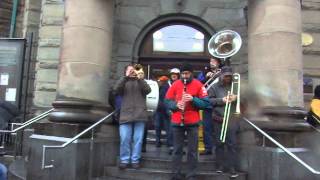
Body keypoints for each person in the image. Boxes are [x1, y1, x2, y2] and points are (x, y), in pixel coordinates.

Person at [165, 64, 210, 180]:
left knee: (192, 150)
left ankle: (191, 174)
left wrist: (193, 99)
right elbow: (166, 101)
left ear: (191, 74)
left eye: (187, 74)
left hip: (192, 122)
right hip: (177, 121)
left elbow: (205, 103)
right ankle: (175, 173)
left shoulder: (198, 85)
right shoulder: (175, 84)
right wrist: (175, 105)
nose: (185, 76)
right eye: (183, 74)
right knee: (177, 150)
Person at [114, 64, 151, 169]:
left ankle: (135, 160)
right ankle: (124, 160)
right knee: (125, 138)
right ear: (125, 72)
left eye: (134, 70)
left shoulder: (141, 82)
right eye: (130, 70)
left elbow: (148, 91)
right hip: (126, 115)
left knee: (138, 140)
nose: (132, 72)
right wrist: (125, 77)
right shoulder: (124, 82)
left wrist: (140, 79)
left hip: (140, 115)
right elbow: (116, 89)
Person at [207, 66, 239, 178]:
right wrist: (222, 100)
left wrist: (237, 97)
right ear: (221, 76)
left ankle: (232, 167)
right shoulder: (214, 87)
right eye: (226, 76)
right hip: (218, 119)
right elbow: (208, 101)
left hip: (231, 120)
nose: (228, 79)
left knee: (232, 144)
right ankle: (220, 166)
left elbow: (246, 99)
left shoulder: (236, 87)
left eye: (230, 76)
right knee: (219, 144)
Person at [198, 57, 222, 155]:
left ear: (219, 63)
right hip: (207, 104)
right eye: (210, 61)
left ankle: (218, 148)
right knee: (206, 127)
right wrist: (205, 77)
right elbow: (198, 83)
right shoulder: (204, 72)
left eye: (214, 61)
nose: (211, 63)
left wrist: (218, 76)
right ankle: (208, 147)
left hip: (218, 104)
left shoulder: (222, 72)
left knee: (217, 128)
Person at [162, 68, 181, 154]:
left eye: (176, 74)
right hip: (168, 111)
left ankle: (178, 147)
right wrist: (168, 109)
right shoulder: (166, 85)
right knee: (170, 130)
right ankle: (171, 147)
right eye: (172, 73)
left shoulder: (181, 84)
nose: (174, 75)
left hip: (179, 110)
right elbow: (163, 99)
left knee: (179, 131)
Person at [154, 76, 169, 147]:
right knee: (159, 126)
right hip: (160, 110)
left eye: (161, 81)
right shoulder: (158, 87)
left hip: (162, 110)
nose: (159, 82)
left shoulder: (165, 87)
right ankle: (159, 141)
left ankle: (159, 141)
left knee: (160, 126)